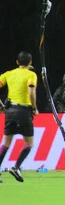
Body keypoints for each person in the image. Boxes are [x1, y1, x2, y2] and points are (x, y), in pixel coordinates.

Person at [0, 52, 38, 183]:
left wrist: (1, 105)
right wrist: (34, 107)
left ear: (17, 62)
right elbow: (31, 91)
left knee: (6, 143)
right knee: (28, 143)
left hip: (10, 111)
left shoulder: (8, 74)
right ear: (30, 62)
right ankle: (16, 167)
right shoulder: (31, 74)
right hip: (23, 111)